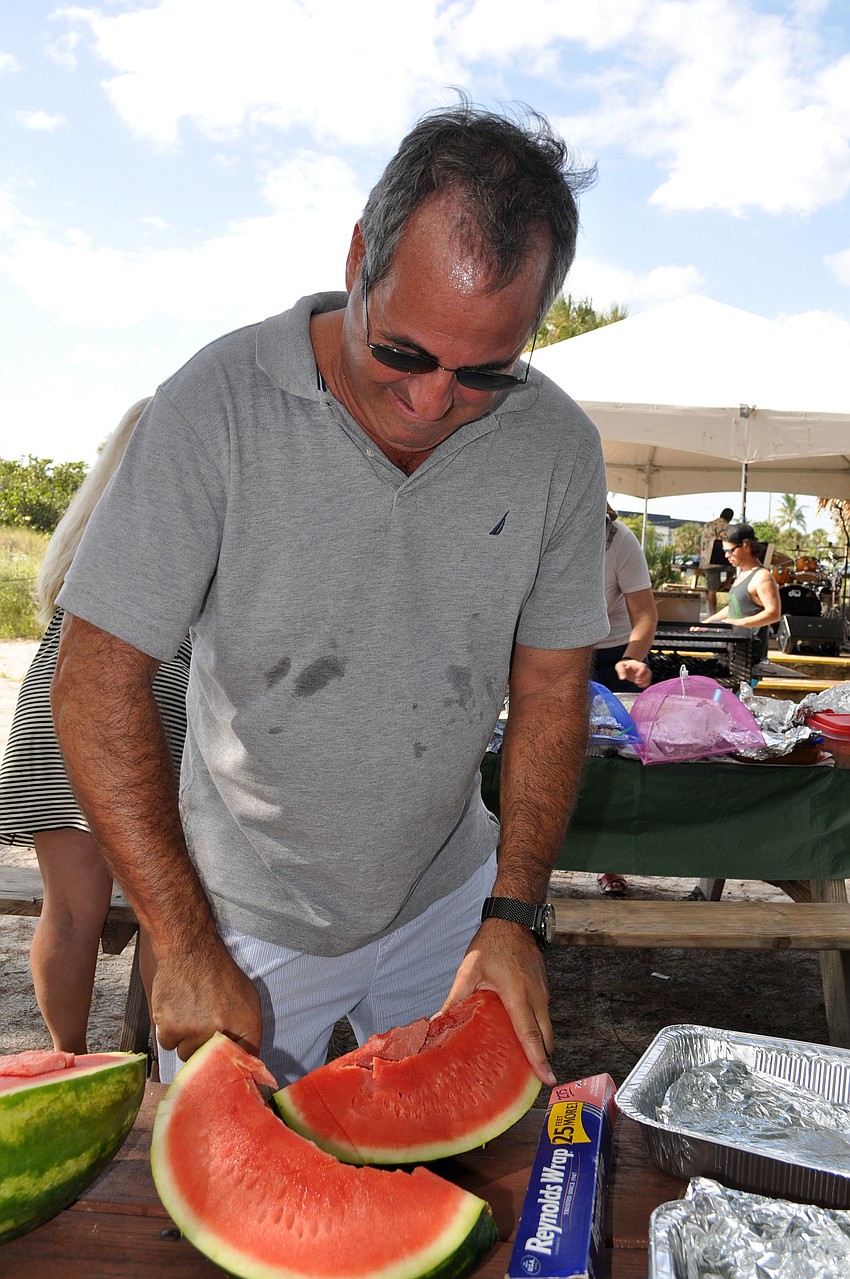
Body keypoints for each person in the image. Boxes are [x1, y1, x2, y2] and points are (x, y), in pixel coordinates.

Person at [50, 102, 609, 1088]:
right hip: (245, 911)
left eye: (483, 371)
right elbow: (94, 680)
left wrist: (512, 911)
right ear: (359, 257)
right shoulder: (215, 403)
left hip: (449, 896)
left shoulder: (557, 446)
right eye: (401, 350)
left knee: (463, 1189)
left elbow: (555, 695)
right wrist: (179, 937)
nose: (431, 402)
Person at [0, 399, 191, 1054]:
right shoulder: (189, 516)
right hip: (140, 707)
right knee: (166, 913)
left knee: (70, 911)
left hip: (53, 708)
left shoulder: (88, 528)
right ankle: (171, 1082)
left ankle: (69, 1058)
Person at [592, 505, 657, 895]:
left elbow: (645, 613)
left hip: (613, 653)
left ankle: (610, 860)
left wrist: (632, 657)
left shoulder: (620, 540)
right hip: (551, 650)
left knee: (618, 760)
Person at [702, 522, 781, 664]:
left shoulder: (762, 577)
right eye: (724, 551)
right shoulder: (743, 574)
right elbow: (735, 605)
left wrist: (738, 623)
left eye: (730, 550)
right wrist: (711, 621)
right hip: (732, 651)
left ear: (746, 546)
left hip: (749, 658)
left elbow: (774, 614)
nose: (726, 555)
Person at [699, 507, 735, 613]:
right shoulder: (728, 527)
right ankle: (727, 583)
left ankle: (712, 614)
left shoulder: (707, 525)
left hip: (707, 562)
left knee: (712, 591)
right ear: (730, 518)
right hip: (722, 561)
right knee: (735, 565)